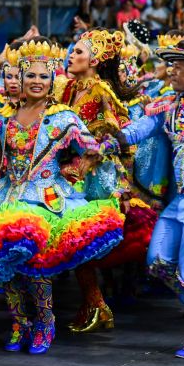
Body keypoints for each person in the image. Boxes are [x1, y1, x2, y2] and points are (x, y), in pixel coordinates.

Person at [0, 38, 124, 354]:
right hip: (6, 199)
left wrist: (85, 162)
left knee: (36, 267)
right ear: (20, 79)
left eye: (43, 76)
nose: (36, 82)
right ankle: (19, 322)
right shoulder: (3, 118)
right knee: (6, 266)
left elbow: (91, 150)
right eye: (30, 76)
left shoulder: (63, 117)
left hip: (45, 199)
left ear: (52, 79)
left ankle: (44, 321)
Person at [115, 38, 184, 358]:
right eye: (171, 64)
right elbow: (135, 131)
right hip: (180, 198)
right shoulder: (168, 106)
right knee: (158, 262)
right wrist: (100, 139)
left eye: (178, 65)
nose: (170, 71)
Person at [56, 28, 128, 333]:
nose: (72, 56)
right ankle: (94, 303)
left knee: (80, 238)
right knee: (72, 239)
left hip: (93, 173)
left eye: (79, 52)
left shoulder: (100, 90)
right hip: (70, 169)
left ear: (95, 60)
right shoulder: (70, 89)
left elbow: (115, 130)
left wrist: (89, 157)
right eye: (72, 51)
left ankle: (97, 303)